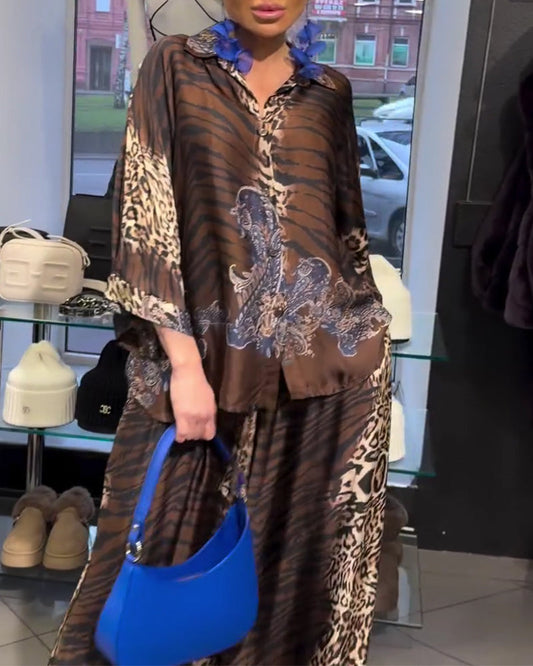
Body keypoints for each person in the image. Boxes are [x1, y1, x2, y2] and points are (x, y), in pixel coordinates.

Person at [50, 1, 392, 664]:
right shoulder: (175, 68)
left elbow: (347, 234)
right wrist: (183, 367)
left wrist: (368, 343)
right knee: (149, 555)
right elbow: (145, 222)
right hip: (198, 363)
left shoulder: (328, 91)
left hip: (318, 379)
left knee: (290, 577)